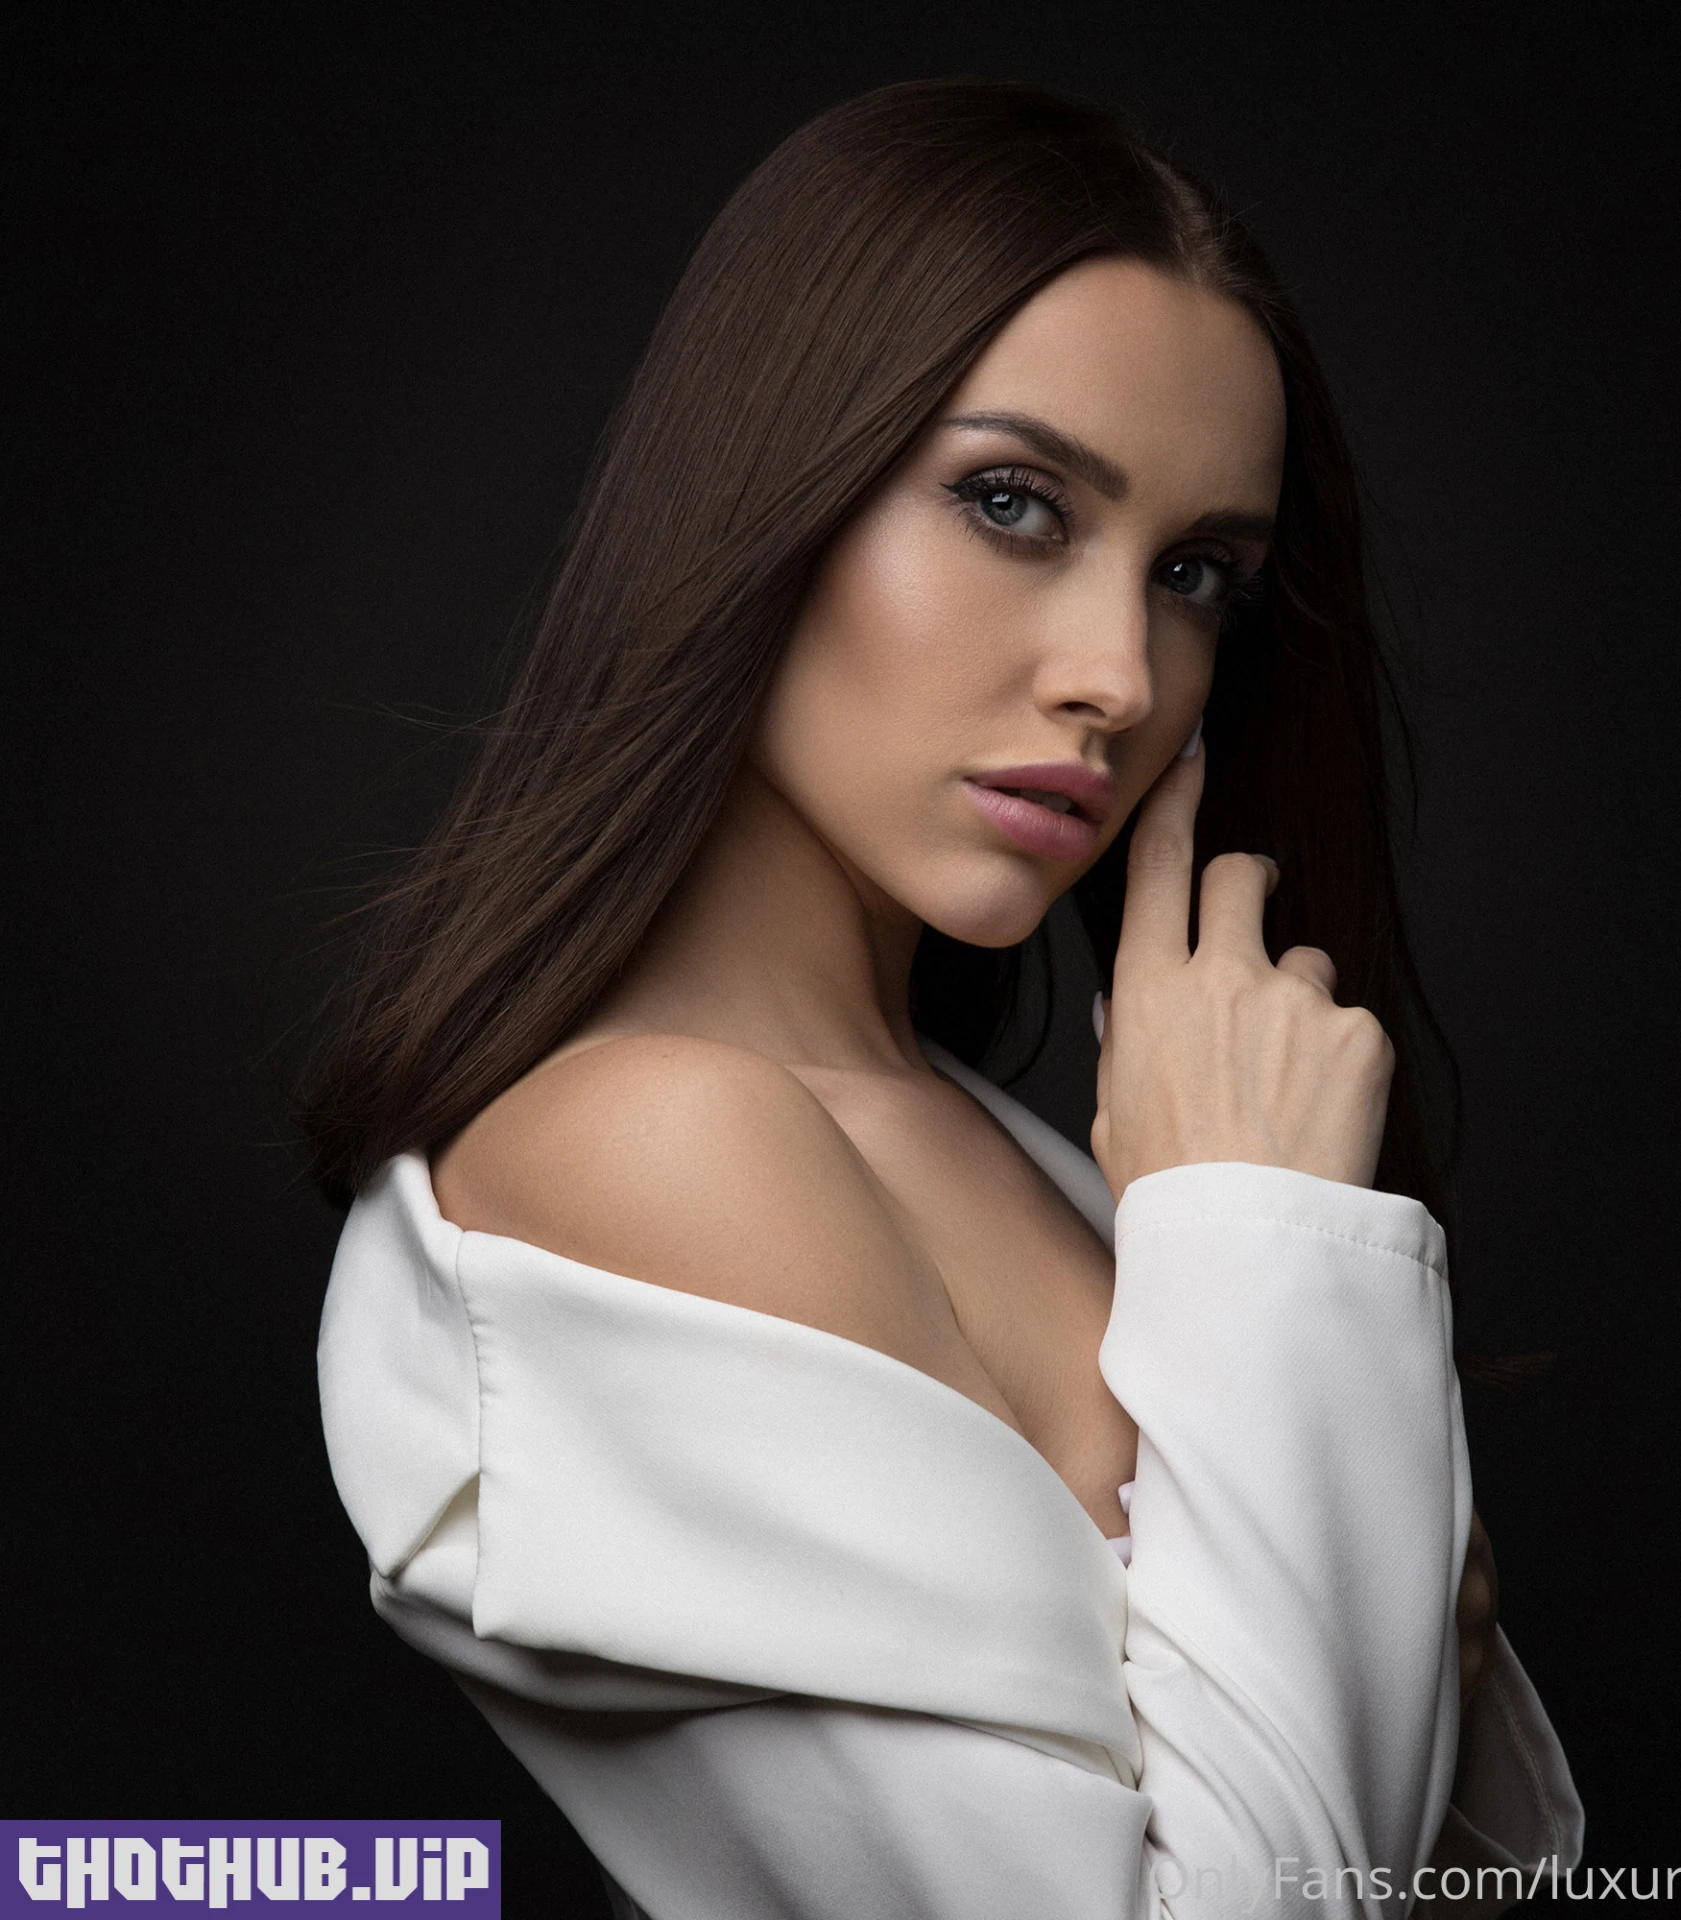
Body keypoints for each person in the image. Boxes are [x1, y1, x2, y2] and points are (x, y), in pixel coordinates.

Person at [306, 78, 1582, 1918]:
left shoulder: (1036, 1161)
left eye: (1197, 574)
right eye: (1012, 502)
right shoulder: (649, 1142)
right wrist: (1265, 1246)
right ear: (768, 489)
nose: (1121, 675)